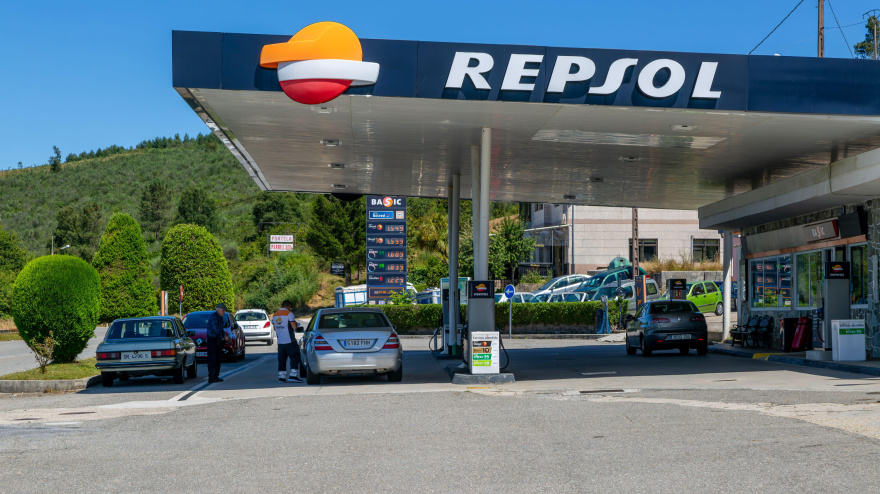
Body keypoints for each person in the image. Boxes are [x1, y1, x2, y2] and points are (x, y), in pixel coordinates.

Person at [273, 300, 302, 383]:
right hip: (289, 340)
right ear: (288, 306)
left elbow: (275, 328)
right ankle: (293, 375)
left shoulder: (275, 314)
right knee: (295, 356)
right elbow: (293, 326)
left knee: (282, 359)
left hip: (280, 341)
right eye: (290, 307)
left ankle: (281, 377)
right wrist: (297, 324)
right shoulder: (289, 314)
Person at [206, 303, 230, 383]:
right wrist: (222, 336)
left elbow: (221, 329)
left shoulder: (221, 318)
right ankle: (211, 377)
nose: (223, 312)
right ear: (218, 309)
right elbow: (215, 329)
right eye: (222, 310)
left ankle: (216, 376)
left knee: (218, 359)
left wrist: (224, 335)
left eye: (224, 311)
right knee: (212, 359)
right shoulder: (213, 317)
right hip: (212, 340)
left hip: (218, 340)